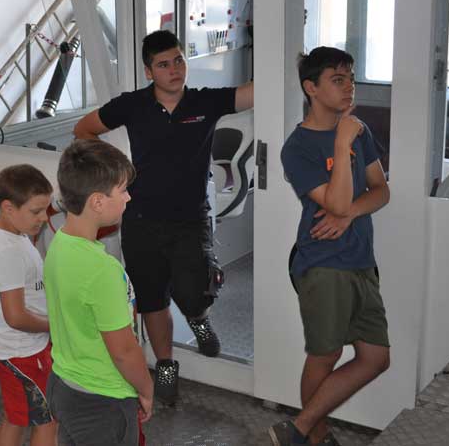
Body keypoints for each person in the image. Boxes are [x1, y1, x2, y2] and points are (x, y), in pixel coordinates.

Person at [73, 29, 254, 404]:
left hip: (190, 219)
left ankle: (198, 318)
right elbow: (84, 129)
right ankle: (167, 364)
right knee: (152, 300)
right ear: (148, 71)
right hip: (141, 220)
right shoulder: (132, 105)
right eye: (164, 64)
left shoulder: (205, 101)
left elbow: (256, 92)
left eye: (179, 61)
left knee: (193, 290)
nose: (174, 70)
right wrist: (112, 169)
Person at [270, 47, 391, 446]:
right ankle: (315, 437)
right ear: (311, 88)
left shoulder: (359, 131)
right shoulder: (298, 147)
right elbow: (334, 203)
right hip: (322, 262)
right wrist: (341, 144)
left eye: (350, 79)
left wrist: (349, 214)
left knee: (376, 357)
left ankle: (298, 430)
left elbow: (381, 190)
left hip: (360, 259)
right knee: (325, 355)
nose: (349, 87)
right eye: (337, 80)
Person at [44, 139, 153, 446]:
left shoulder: (59, 245)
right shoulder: (101, 269)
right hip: (102, 403)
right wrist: (146, 389)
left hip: (65, 386)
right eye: (123, 190)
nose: (129, 197)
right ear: (97, 202)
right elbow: (124, 351)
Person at [0, 164, 57, 446]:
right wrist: (56, 324)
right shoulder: (8, 251)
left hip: (17, 350)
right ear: (8, 208)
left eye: (46, 209)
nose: (44, 218)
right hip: (22, 353)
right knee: (48, 420)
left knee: (16, 417)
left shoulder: (14, 234)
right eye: (36, 211)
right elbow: (15, 316)